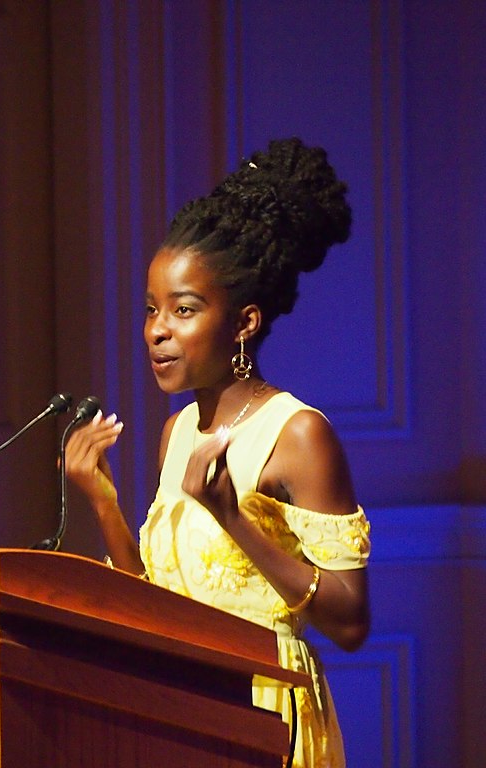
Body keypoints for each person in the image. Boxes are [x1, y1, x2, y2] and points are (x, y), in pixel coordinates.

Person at [65, 137, 371, 768]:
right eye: (152, 309)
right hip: (179, 713)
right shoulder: (175, 433)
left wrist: (233, 517)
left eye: (184, 309)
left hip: (262, 712)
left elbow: (351, 622)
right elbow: (155, 608)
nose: (157, 329)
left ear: (244, 321)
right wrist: (105, 505)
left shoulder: (299, 434)